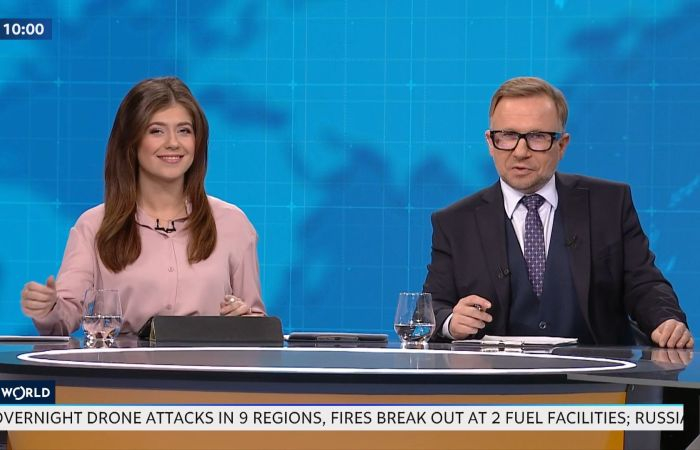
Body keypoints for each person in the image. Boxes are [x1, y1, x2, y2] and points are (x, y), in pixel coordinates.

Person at [424, 76, 692, 348]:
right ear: (490, 143)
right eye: (508, 136)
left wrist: (665, 320)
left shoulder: (609, 203)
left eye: (537, 137)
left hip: (596, 370)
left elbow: (643, 283)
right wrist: (451, 322)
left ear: (562, 145)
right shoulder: (454, 223)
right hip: (496, 372)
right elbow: (432, 307)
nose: (520, 152)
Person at [20, 76, 265, 335]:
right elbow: (63, 319)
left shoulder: (232, 223)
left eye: (184, 130)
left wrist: (244, 319)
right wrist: (48, 308)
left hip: (208, 362)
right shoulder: (94, 226)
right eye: (156, 131)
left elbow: (257, 323)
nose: (173, 142)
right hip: (125, 361)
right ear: (132, 141)